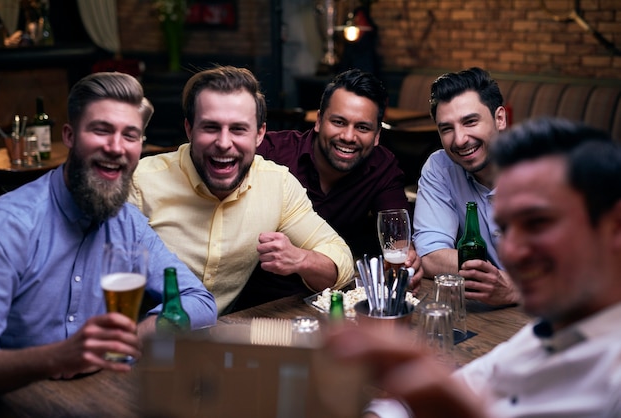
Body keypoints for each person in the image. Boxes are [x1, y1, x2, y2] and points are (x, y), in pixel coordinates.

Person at [327, 117, 621, 417]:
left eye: (538, 222)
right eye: (504, 228)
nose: (511, 251)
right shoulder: (549, 330)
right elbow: (462, 385)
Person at [0, 72, 217, 394]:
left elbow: (198, 302)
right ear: (69, 136)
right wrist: (56, 358)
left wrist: (124, 341)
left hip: (105, 394)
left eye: (130, 135)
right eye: (101, 130)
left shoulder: (129, 224)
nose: (116, 147)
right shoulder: (9, 225)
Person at [128, 65, 354, 315]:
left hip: (221, 339)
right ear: (189, 130)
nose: (224, 143)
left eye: (238, 129)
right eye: (211, 127)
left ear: (259, 134)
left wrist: (301, 259)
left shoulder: (276, 184)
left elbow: (341, 261)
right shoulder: (140, 184)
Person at [234, 69, 423, 309]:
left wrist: (407, 263)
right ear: (319, 121)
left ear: (377, 136)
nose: (348, 136)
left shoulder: (381, 167)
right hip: (256, 306)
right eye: (339, 122)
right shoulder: (271, 153)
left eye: (363, 128)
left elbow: (396, 236)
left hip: (332, 299)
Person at [413, 67, 520, 306]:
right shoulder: (441, 167)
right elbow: (430, 255)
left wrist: (515, 288)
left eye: (470, 121)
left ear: (500, 118)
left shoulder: (546, 171)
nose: (460, 139)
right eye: (447, 128)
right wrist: (495, 277)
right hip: (488, 315)